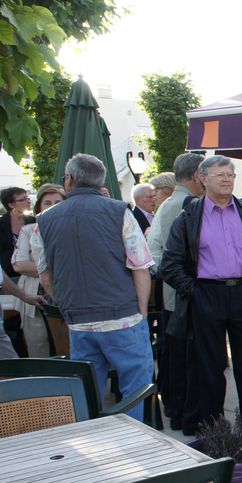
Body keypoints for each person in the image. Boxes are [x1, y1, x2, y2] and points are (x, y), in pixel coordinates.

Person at [33, 153, 154, 421]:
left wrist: (66, 305)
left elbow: (45, 276)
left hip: (79, 320)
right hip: (123, 317)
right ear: (99, 180)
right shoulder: (119, 211)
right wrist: (142, 311)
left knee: (87, 391)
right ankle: (136, 443)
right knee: (136, 387)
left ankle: (94, 443)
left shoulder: (45, 220)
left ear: (70, 180)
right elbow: (140, 267)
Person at [160, 155, 242, 433]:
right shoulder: (188, 217)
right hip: (206, 295)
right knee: (208, 368)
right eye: (219, 174)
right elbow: (170, 264)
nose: (226, 179)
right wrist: (195, 292)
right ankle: (211, 427)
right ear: (202, 178)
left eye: (230, 175)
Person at [147, 153, 205, 431]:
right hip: (183, 295)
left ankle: (174, 405)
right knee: (185, 357)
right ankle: (183, 411)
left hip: (171, 292)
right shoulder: (188, 204)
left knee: (175, 354)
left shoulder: (169, 203)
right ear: (197, 176)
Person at [12, 184, 65, 357]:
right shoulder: (28, 230)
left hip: (67, 295)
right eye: (47, 203)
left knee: (67, 345)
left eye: (58, 202)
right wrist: (58, 269)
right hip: (35, 298)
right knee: (38, 345)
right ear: (39, 207)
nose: (53, 206)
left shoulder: (71, 229)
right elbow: (19, 264)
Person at [0, 186, 31, 279]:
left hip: (31, 275)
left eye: (27, 198)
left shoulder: (33, 221)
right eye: (23, 199)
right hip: (8, 277)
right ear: (11, 205)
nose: (28, 201)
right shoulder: (1, 224)